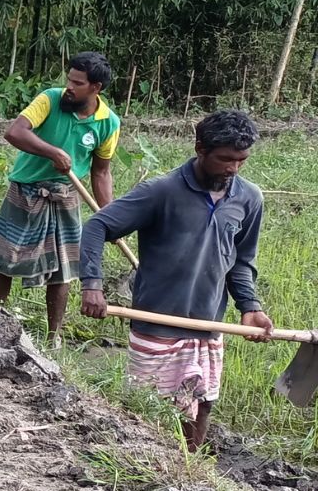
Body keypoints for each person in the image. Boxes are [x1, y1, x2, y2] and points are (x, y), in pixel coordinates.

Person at [79, 110, 271, 451]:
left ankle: (190, 467)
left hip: (209, 322)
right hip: (157, 324)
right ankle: (141, 461)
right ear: (200, 149)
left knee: (203, 400)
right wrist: (91, 284)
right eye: (225, 159)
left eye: (241, 160)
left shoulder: (248, 198)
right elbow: (98, 226)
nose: (233, 169)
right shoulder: (162, 191)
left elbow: (241, 260)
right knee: (147, 406)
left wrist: (250, 306)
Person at [0, 51, 121, 344]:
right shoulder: (50, 99)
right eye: (69, 78)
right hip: (27, 190)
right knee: (5, 259)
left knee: (64, 269)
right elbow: (15, 132)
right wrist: (52, 152)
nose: (69, 86)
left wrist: (110, 217)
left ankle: (53, 337)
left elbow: (101, 172)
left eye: (78, 82)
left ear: (95, 88)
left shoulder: (108, 123)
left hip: (66, 196)